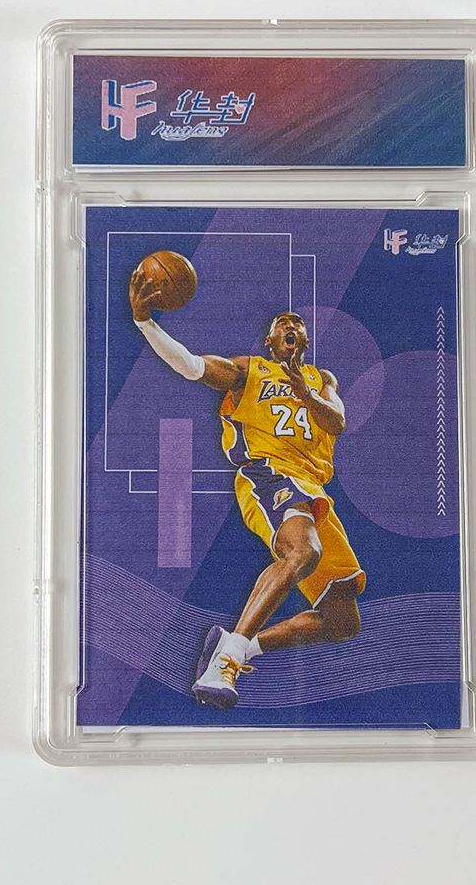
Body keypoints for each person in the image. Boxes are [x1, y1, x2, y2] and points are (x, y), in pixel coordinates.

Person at [130, 267, 365, 710]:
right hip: (268, 473)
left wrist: (306, 392)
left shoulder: (322, 379)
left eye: (298, 323)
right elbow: (192, 366)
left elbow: (336, 421)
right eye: (282, 324)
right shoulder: (248, 371)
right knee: (303, 552)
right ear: (270, 342)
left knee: (342, 621)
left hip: (312, 487)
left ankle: (236, 646)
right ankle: (227, 662)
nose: (291, 326)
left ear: (305, 340)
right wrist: (146, 323)